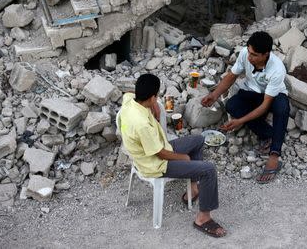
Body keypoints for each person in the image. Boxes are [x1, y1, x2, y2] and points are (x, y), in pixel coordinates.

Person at [120, 73, 226, 237]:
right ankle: (203, 218)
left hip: (160, 146)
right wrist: (183, 158)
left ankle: (193, 189)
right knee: (208, 170)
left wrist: (153, 105)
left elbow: (129, 94)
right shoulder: (141, 125)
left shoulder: (129, 102)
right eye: (156, 97)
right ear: (153, 96)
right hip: (156, 164)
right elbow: (161, 154)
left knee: (198, 140)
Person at [201, 31, 290, 184]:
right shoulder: (245, 54)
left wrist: (240, 121)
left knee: (282, 108)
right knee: (232, 105)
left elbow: (265, 106)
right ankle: (270, 134)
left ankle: (274, 155)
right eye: (249, 52)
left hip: (272, 97)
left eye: (254, 55)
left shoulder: (277, 69)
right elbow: (231, 76)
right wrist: (214, 95)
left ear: (266, 54)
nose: (249, 57)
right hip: (251, 91)